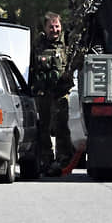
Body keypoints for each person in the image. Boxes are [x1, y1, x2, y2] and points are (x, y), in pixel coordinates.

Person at [31, 11, 74, 176]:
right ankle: (46, 160)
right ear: (45, 27)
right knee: (43, 127)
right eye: (51, 27)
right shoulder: (38, 44)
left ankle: (63, 160)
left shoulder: (68, 43)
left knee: (62, 126)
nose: (54, 30)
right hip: (43, 93)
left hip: (62, 92)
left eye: (57, 26)